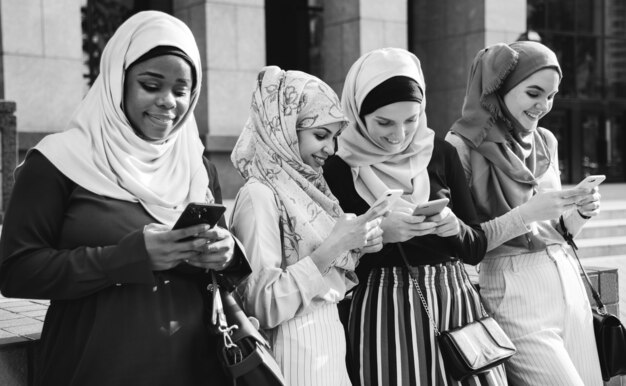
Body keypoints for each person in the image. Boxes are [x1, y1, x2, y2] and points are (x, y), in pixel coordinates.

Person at [0, 11, 250, 386]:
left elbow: (223, 267)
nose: (168, 102)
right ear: (118, 81)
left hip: (197, 367)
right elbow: (16, 272)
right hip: (95, 367)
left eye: (182, 91)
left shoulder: (196, 164)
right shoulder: (58, 160)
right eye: (151, 85)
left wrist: (226, 253)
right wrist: (129, 257)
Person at [323, 47, 507, 385]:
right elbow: (335, 260)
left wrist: (454, 227)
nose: (399, 134)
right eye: (384, 122)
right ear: (358, 113)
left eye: (411, 119)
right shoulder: (338, 168)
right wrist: (380, 235)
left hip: (455, 303)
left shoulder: (441, 153)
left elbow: (475, 248)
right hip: (384, 309)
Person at [446, 41, 603, 385]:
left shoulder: (546, 140)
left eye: (551, 96)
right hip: (509, 285)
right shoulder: (461, 146)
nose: (543, 106)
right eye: (534, 92)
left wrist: (580, 212)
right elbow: (464, 243)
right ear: (500, 87)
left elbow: (555, 231)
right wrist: (527, 214)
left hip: (565, 279)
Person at [229, 66, 386, 386]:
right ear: (285, 130)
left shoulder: (308, 192)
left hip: (326, 350)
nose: (331, 149)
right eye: (320, 135)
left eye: (334, 137)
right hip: (289, 356)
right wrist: (336, 246)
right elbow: (262, 303)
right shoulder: (260, 195)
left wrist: (358, 243)